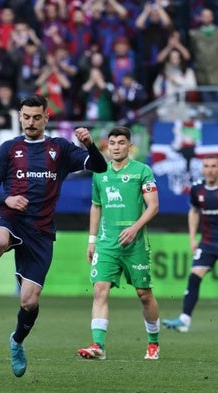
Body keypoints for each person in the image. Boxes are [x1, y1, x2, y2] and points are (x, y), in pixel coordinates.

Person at [0, 93, 107, 378]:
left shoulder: (59, 149)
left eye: (37, 117)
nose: (31, 122)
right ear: (20, 117)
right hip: (9, 216)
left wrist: (90, 145)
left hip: (41, 229)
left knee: (29, 301)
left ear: (47, 117)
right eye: (26, 117)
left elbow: (100, 166)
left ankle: (17, 341)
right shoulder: (9, 148)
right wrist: (7, 199)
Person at [77, 126, 160, 361]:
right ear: (107, 146)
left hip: (135, 244)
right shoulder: (99, 173)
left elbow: (153, 206)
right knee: (99, 291)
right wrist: (92, 241)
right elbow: (96, 206)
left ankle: (153, 342)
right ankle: (98, 345)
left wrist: (134, 228)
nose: (116, 147)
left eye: (121, 142)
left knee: (144, 294)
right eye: (112, 143)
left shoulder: (142, 171)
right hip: (107, 243)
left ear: (129, 146)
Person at [163, 155, 218, 332]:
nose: (210, 169)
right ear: (202, 169)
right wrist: (192, 238)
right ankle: (184, 320)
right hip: (208, 243)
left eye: (214, 166)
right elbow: (194, 211)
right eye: (207, 166)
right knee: (194, 278)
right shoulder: (197, 189)